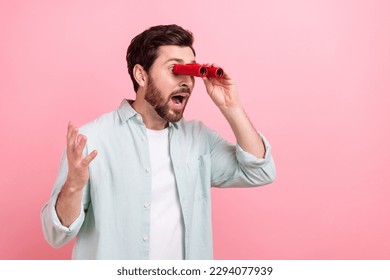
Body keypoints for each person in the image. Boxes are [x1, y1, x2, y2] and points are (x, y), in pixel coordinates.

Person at [41, 24, 276, 260]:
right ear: (141, 75)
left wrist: (231, 107)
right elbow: (55, 235)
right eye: (175, 69)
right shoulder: (92, 141)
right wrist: (73, 185)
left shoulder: (199, 140)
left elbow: (260, 172)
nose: (187, 81)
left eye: (191, 70)